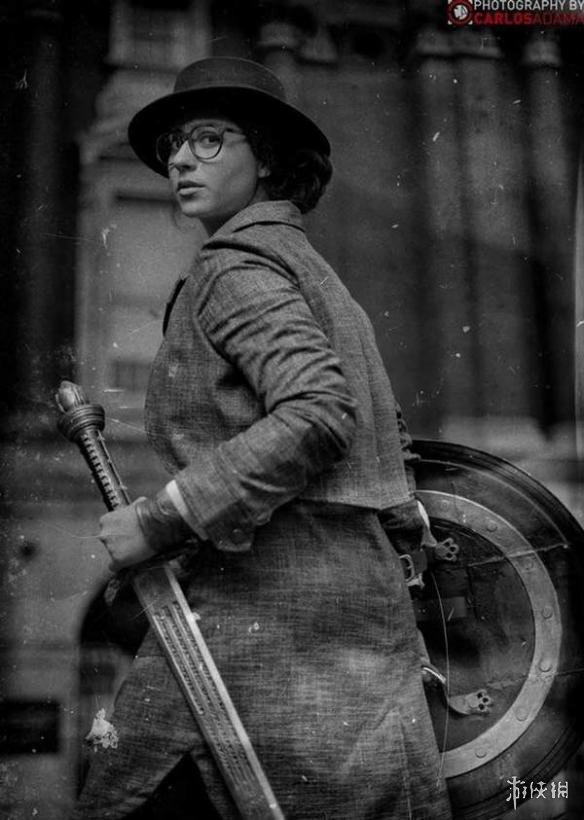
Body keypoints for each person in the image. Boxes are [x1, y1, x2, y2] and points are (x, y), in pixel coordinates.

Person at [73, 57, 452, 819]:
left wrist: (162, 518)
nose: (180, 159)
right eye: (175, 144)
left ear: (269, 157)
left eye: (209, 139)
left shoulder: (234, 267)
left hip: (255, 633)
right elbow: (378, 442)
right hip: (350, 637)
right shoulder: (317, 276)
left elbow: (318, 412)